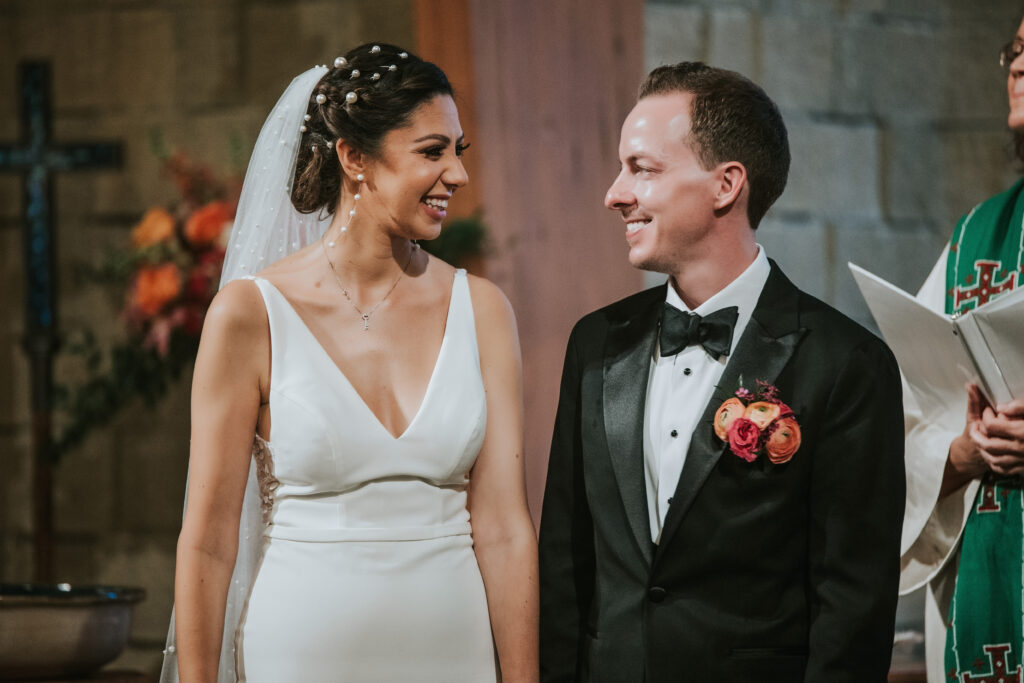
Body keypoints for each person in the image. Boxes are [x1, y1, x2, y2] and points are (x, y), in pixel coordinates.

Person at [160, 44, 538, 683]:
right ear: (354, 158)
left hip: (453, 653)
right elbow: (209, 538)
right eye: (431, 151)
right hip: (301, 653)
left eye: (458, 151)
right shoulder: (251, 315)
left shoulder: (483, 311)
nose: (457, 174)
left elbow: (503, 527)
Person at [538, 61, 906, 683]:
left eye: (642, 169)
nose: (615, 193)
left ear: (726, 184)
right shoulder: (596, 344)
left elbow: (852, 604)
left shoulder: (846, 364)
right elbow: (564, 561)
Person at [900, 16, 1024, 683]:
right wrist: (961, 452)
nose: (1018, 67)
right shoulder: (975, 241)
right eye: (1016, 50)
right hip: (984, 590)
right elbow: (906, 422)